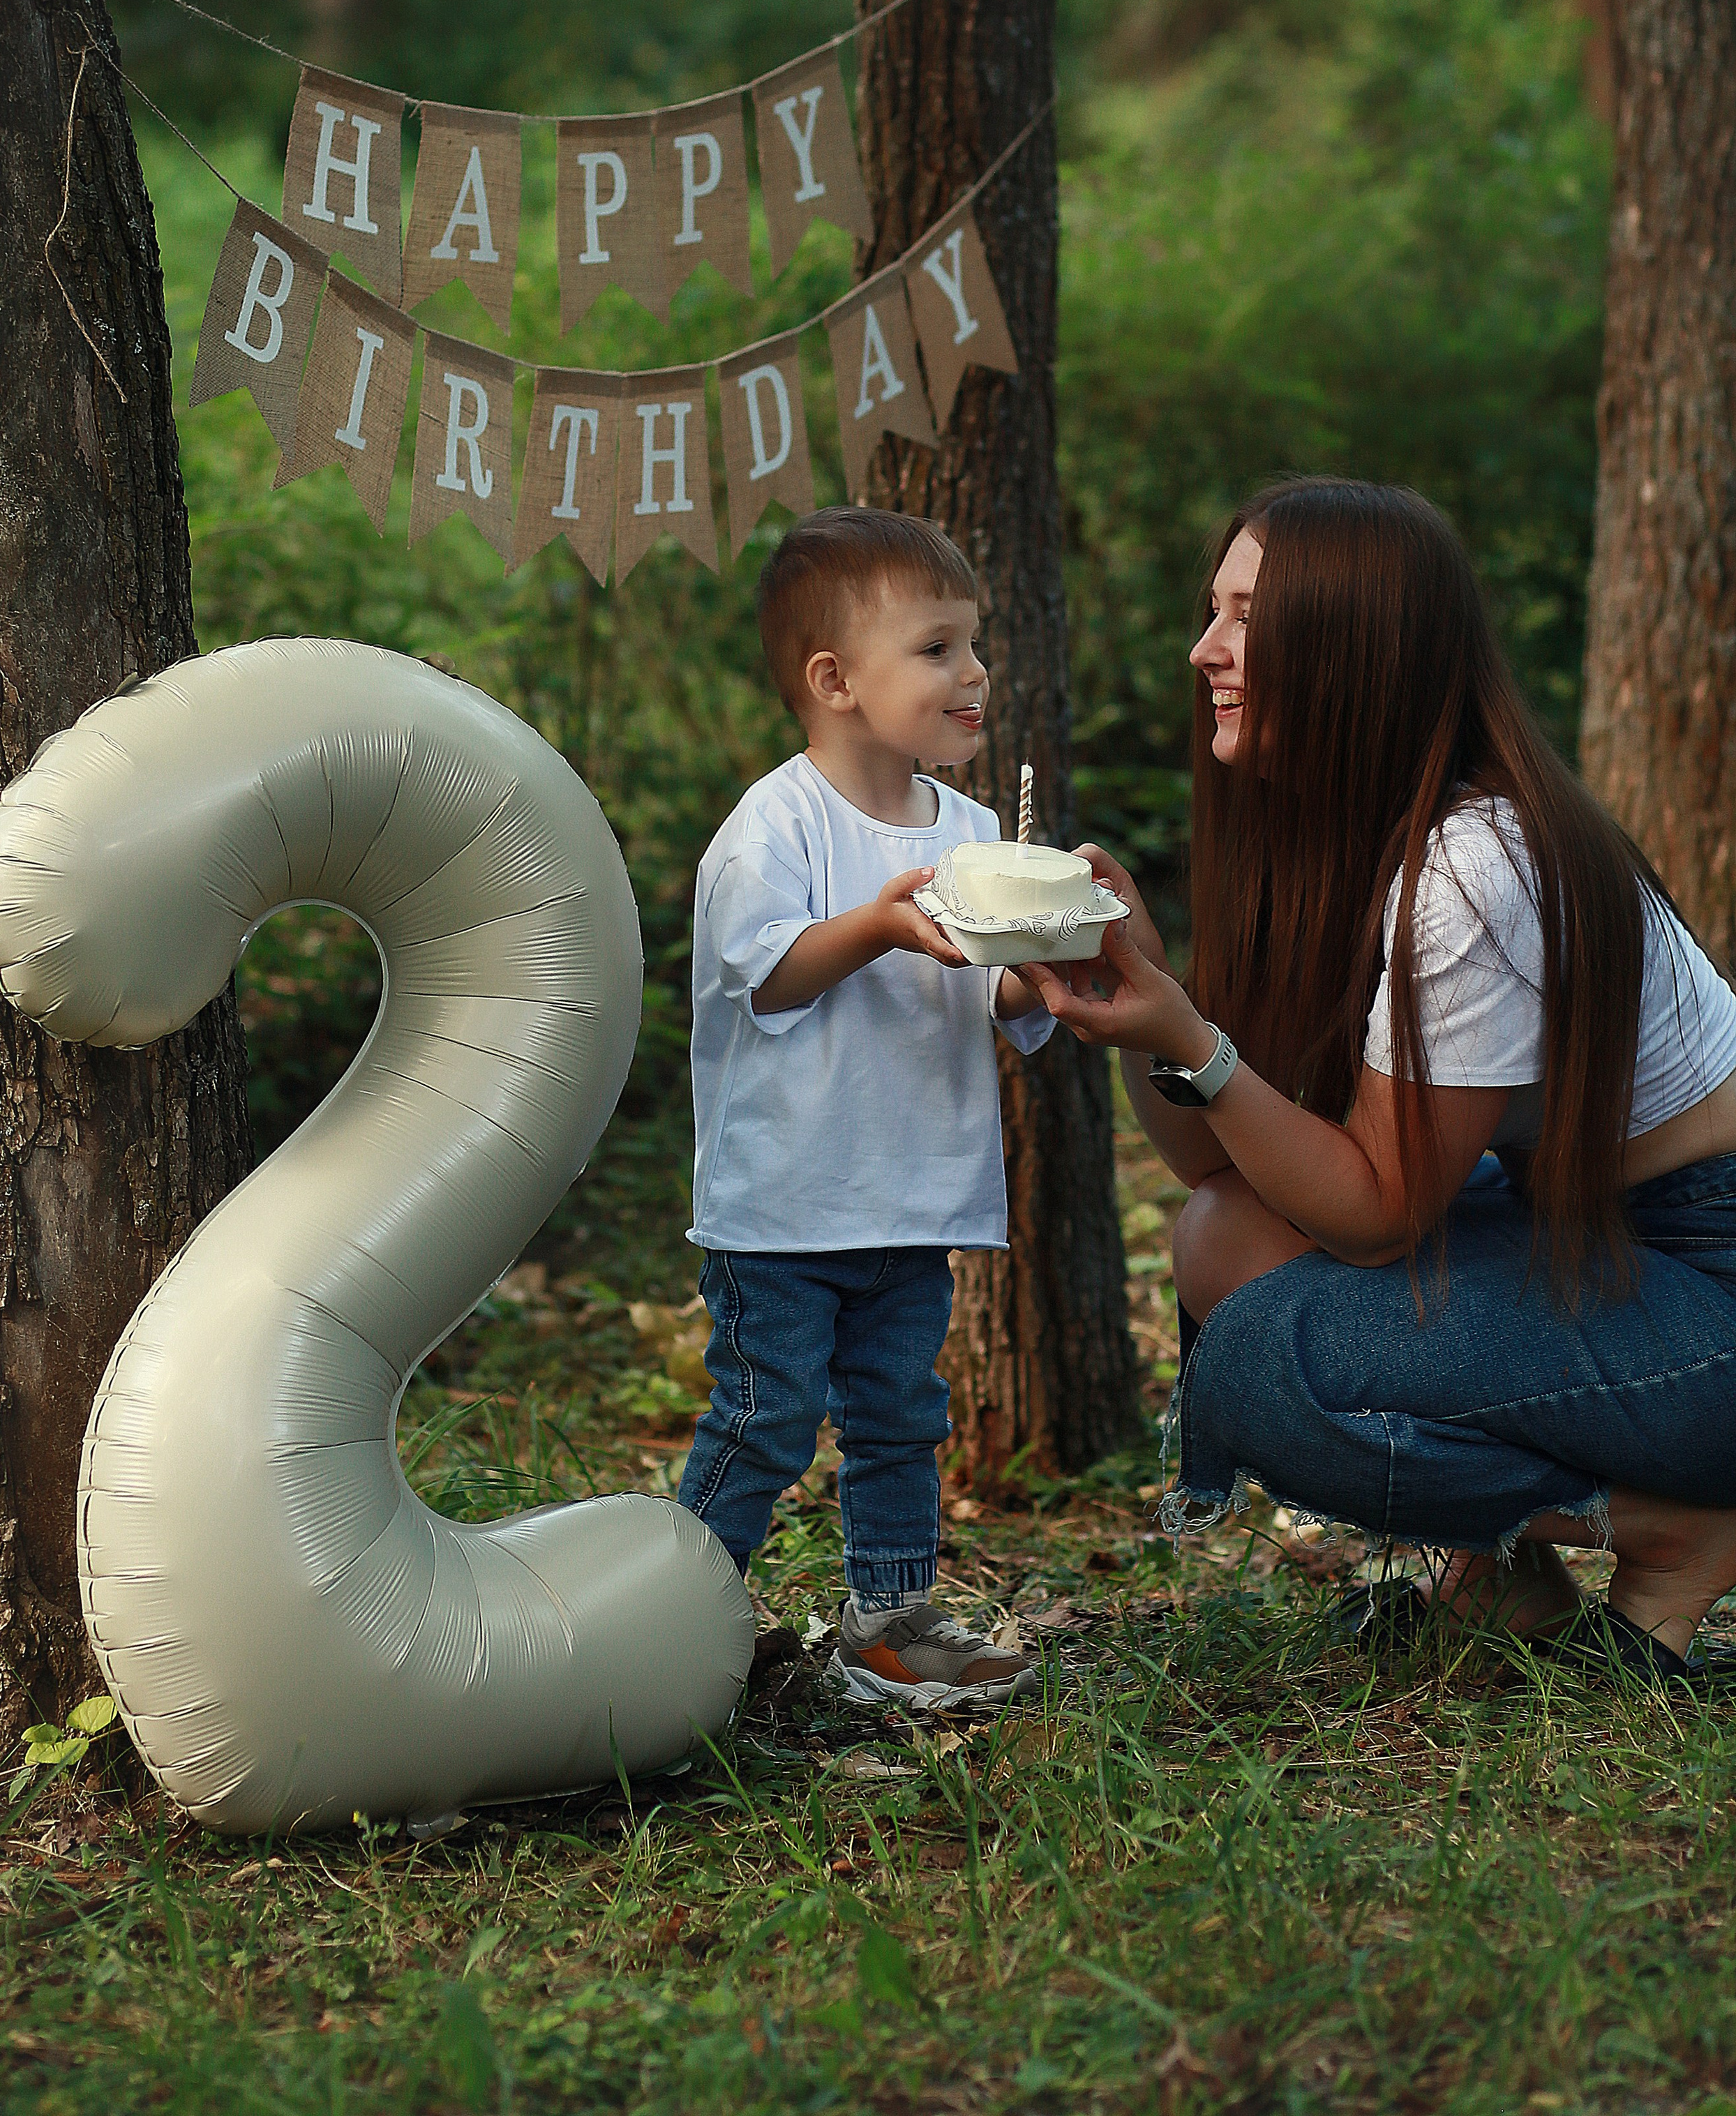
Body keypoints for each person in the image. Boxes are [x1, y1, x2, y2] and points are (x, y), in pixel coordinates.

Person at [1028, 477, 1736, 1686]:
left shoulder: (1475, 865)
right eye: (1214, 610)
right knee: (1223, 1238)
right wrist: (1152, 1001)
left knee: (1266, 1371)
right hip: (1603, 1249)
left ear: (1354, 642)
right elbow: (1224, 1162)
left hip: (1708, 1281)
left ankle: (1679, 1530)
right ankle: (1512, 1574)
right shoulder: (1350, 840)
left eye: (1245, 616)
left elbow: (1376, 1211)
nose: (1206, 650)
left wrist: (1199, 1041)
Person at [676, 506, 1052, 1708]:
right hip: (784, 1207)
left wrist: (1041, 971)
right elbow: (766, 969)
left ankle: (889, 1623)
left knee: (900, 1414)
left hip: (909, 1197)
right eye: (938, 648)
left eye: (974, 645)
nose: (974, 672)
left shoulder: (976, 831)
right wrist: (883, 924)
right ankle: (673, 1620)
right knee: (766, 1416)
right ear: (835, 681)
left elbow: (995, 984)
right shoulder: (773, 826)